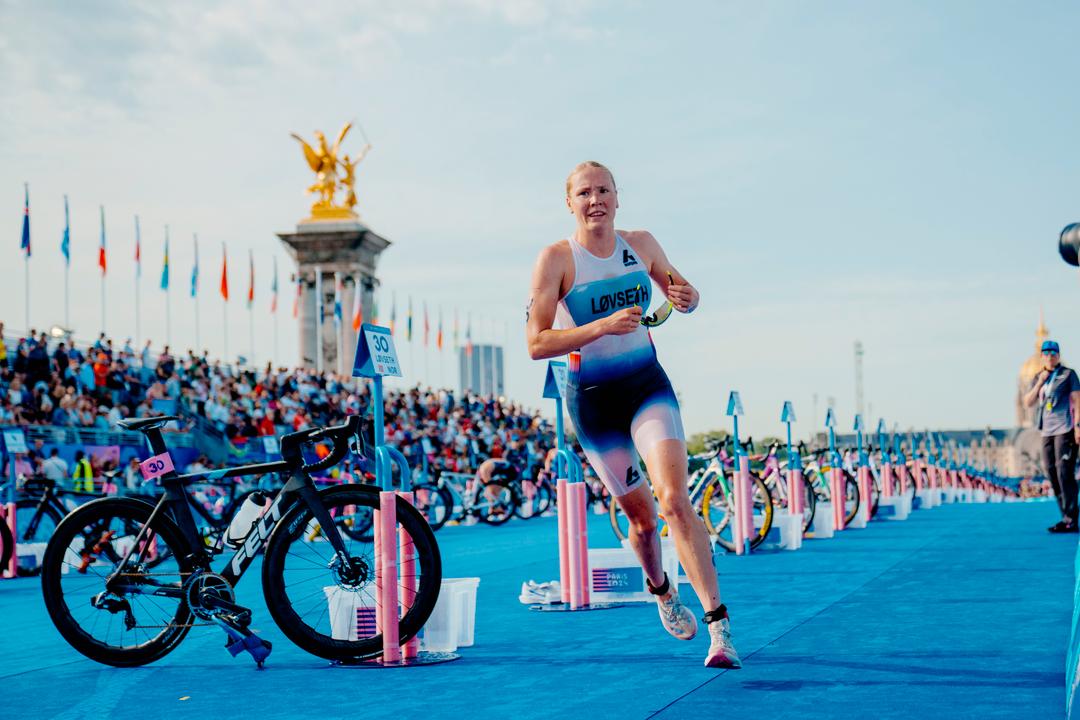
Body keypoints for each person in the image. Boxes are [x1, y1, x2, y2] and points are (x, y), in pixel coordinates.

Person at [525, 160, 740, 668]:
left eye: (603, 190)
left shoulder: (640, 244)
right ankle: (662, 591)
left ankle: (719, 627)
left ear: (618, 197)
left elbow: (679, 292)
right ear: (570, 203)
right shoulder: (556, 260)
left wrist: (687, 298)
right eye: (584, 193)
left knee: (673, 500)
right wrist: (598, 327)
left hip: (646, 386)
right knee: (641, 521)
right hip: (595, 401)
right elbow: (536, 343)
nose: (594, 199)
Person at [1023, 339, 1080, 532]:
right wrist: (1040, 381)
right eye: (1046, 353)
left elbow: (1077, 401)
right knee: (1052, 473)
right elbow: (1028, 402)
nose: (1050, 356)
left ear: (1058, 355)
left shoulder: (1068, 374)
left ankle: (1071, 518)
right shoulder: (1039, 377)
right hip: (1046, 431)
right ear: (1042, 356)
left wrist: (1078, 426)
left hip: (1065, 429)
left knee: (1065, 472)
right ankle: (1066, 515)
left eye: (1053, 353)